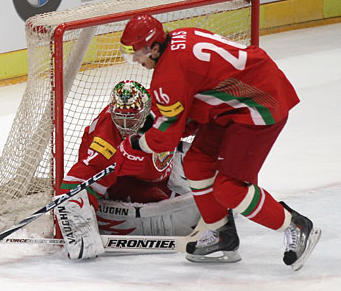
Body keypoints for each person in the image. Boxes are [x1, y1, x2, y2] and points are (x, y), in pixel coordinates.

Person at [116, 14, 321, 270]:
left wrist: (140, 144)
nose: (136, 60)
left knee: (229, 188)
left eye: (138, 54)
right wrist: (163, 121)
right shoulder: (181, 36)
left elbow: (165, 139)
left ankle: (295, 225)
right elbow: (196, 100)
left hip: (259, 105)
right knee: (196, 164)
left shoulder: (168, 74)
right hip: (237, 103)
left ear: (155, 47)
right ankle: (222, 234)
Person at [55, 80, 201, 260]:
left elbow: (200, 107)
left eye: (132, 117)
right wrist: (74, 232)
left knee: (202, 157)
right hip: (123, 179)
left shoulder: (163, 103)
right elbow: (75, 184)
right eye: (119, 116)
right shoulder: (106, 143)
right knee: (168, 203)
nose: (125, 125)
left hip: (155, 168)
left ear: (146, 110)